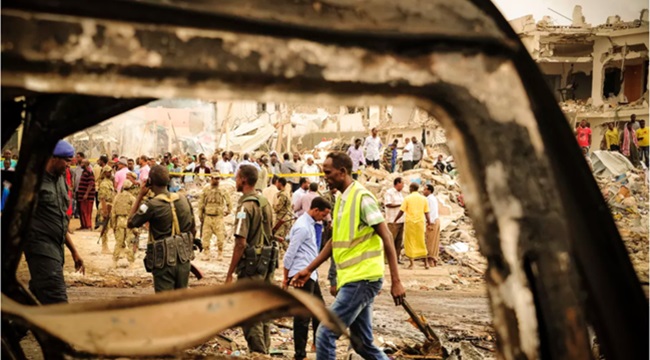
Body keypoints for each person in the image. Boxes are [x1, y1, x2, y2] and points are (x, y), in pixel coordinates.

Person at [290, 152, 405, 360]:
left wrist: (396, 281)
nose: (325, 176)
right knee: (363, 344)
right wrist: (308, 269)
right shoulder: (342, 200)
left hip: (363, 279)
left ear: (342, 172)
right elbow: (334, 242)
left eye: (328, 172)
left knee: (325, 332)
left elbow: (387, 236)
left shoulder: (362, 197)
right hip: (353, 279)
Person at [24, 140, 84, 304]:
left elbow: (59, 220)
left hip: (56, 248)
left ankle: (15, 327)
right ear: (53, 158)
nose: (68, 165)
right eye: (66, 160)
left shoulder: (60, 180)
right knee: (56, 298)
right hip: (40, 248)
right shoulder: (33, 182)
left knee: (36, 293)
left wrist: (74, 251)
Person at [225, 165, 276, 354]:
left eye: (237, 178)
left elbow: (240, 243)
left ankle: (258, 354)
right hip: (266, 266)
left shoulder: (245, 206)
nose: (236, 181)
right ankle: (265, 351)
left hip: (252, 268)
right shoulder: (265, 202)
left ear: (243, 180)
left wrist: (230, 273)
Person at [128, 165, 197, 292]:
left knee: (165, 304)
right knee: (180, 301)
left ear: (150, 182)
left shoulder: (151, 205)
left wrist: (140, 195)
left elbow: (131, 222)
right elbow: (193, 230)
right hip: (183, 260)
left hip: (163, 262)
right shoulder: (183, 199)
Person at [283, 197, 331, 360]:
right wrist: (285, 278)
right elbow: (290, 252)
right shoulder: (303, 226)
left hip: (310, 273)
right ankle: (299, 354)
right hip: (301, 274)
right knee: (303, 316)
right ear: (315, 210)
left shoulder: (311, 224)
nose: (323, 218)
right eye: (323, 215)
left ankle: (316, 344)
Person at [394, 183, 431, 269]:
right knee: (421, 241)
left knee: (410, 242)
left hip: (410, 223)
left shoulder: (407, 198)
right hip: (420, 223)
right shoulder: (424, 199)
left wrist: (395, 219)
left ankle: (412, 264)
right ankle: (426, 263)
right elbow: (427, 212)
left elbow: (401, 211)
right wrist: (429, 222)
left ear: (411, 188)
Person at [198, 173, 232, 259]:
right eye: (215, 179)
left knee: (220, 237)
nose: (216, 180)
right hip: (208, 216)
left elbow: (229, 201)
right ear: (211, 179)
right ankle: (206, 253)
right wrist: (200, 215)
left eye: (218, 179)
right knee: (206, 236)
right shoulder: (206, 189)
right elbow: (201, 203)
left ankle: (220, 253)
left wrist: (228, 210)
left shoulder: (222, 190)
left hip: (218, 217)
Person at [111, 180, 136, 268]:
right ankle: (131, 262)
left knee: (119, 242)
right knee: (130, 242)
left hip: (119, 220)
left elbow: (113, 212)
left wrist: (113, 225)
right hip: (128, 221)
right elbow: (134, 212)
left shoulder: (117, 197)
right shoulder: (132, 198)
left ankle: (114, 261)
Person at [385, 177, 405, 264]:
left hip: (401, 220)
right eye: (402, 184)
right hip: (393, 220)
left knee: (399, 241)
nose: (403, 186)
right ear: (397, 183)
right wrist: (401, 205)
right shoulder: (389, 192)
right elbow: (388, 204)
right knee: (391, 240)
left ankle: (396, 258)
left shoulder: (400, 194)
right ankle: (387, 259)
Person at [98, 165, 115, 254]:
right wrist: (105, 210)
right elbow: (102, 198)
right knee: (105, 226)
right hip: (105, 205)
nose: (110, 173)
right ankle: (104, 246)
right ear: (105, 173)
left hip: (111, 205)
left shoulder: (110, 182)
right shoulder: (104, 184)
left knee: (112, 226)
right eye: (108, 171)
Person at [423, 184, 440, 267]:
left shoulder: (429, 199)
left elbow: (431, 212)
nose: (423, 191)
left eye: (425, 189)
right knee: (434, 242)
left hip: (432, 222)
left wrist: (429, 223)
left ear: (429, 190)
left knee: (430, 241)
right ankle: (434, 260)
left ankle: (431, 261)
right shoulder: (432, 198)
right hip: (435, 220)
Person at [273, 177, 293, 248]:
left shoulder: (283, 195)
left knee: (278, 238)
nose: (276, 185)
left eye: (277, 183)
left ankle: (289, 253)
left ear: (280, 184)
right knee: (282, 238)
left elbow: (278, 208)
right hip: (286, 218)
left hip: (281, 219)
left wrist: (273, 206)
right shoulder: (287, 193)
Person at [76, 159, 96, 230]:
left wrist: (86, 194)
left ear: (86, 164)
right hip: (82, 195)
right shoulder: (84, 172)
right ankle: (84, 225)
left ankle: (88, 226)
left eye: (82, 163)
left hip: (87, 197)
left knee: (87, 211)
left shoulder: (89, 172)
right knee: (82, 211)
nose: (81, 164)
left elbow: (91, 184)